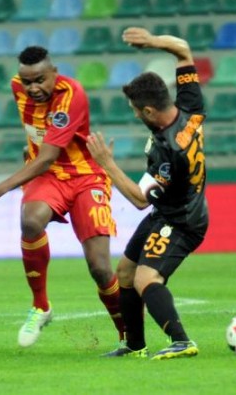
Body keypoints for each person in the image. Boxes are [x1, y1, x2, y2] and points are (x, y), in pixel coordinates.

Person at [0, 46, 125, 348]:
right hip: (49, 177)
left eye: (40, 80)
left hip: (84, 177)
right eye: (27, 82)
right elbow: (40, 150)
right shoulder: (17, 87)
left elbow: (48, 156)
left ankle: (128, 335)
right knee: (30, 221)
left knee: (100, 267)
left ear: (54, 73)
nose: (33, 88)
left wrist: (1, 188)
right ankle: (41, 306)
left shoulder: (71, 95)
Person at [86, 27, 208, 360]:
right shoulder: (190, 109)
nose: (135, 114)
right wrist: (153, 42)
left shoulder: (168, 151)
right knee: (125, 272)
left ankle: (182, 341)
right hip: (167, 212)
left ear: (149, 111)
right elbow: (183, 49)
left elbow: (140, 199)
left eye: (136, 110)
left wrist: (106, 164)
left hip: (181, 221)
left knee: (145, 277)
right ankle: (135, 345)